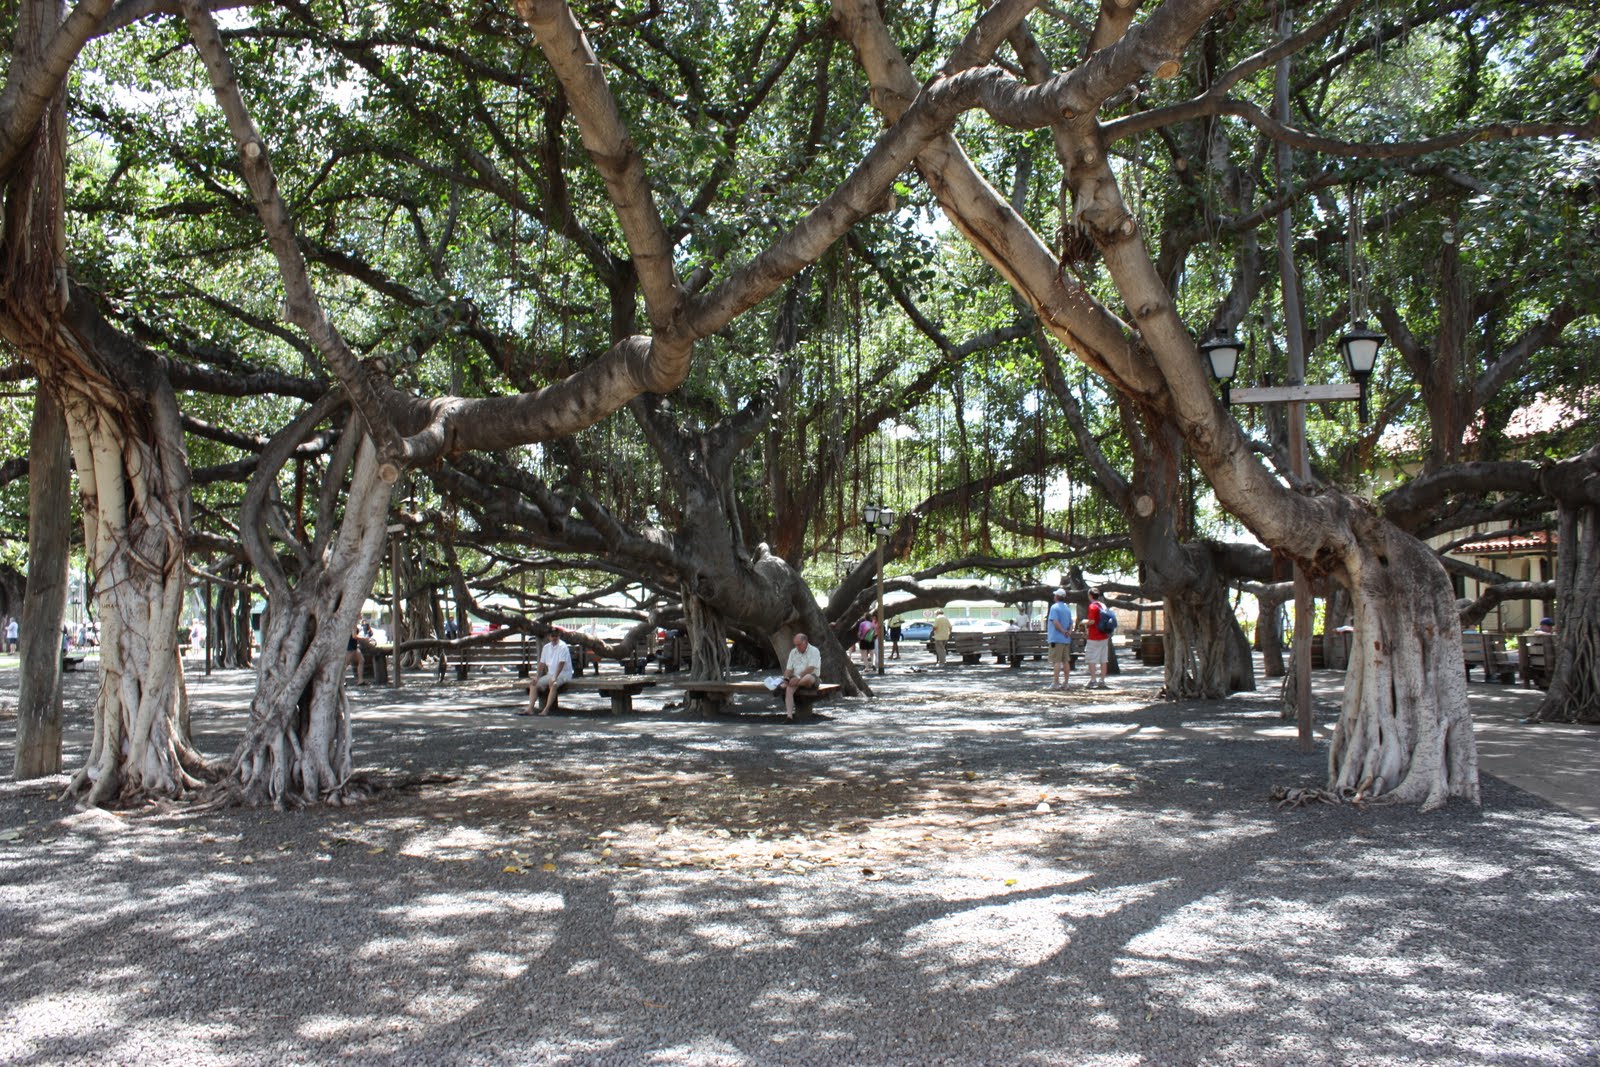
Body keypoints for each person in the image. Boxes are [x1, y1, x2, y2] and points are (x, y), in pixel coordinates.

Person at [528, 629, 573, 715]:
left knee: (553, 684)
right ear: (549, 637)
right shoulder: (546, 647)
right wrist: (537, 676)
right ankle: (530, 708)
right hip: (550, 673)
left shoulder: (563, 647)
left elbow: (561, 663)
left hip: (563, 674)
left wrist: (555, 677)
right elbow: (541, 663)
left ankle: (546, 709)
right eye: (553, 636)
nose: (555, 638)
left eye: (556, 636)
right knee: (533, 684)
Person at [780, 632, 821, 720]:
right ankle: (789, 716)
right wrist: (786, 678)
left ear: (805, 642)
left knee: (807, 678)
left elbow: (811, 668)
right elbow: (789, 669)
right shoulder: (793, 652)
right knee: (789, 689)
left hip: (811, 678)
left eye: (799, 645)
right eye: (796, 645)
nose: (797, 647)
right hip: (795, 679)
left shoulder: (814, 651)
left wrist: (797, 678)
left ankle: (789, 684)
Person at [1046, 588, 1074, 690]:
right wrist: (1068, 632)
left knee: (1056, 661)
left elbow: (1055, 621)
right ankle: (1066, 683)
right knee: (1065, 661)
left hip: (1056, 638)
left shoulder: (1054, 608)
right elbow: (1071, 623)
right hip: (1066, 639)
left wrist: (1062, 631)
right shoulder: (1067, 608)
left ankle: (1055, 682)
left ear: (1057, 597)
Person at [1084, 588, 1111, 690]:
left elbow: (1092, 621)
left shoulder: (1092, 606)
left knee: (1092, 658)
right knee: (1103, 659)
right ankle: (1102, 680)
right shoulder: (1103, 605)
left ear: (1090, 596)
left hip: (1094, 636)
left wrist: (1083, 622)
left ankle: (1093, 680)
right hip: (1104, 636)